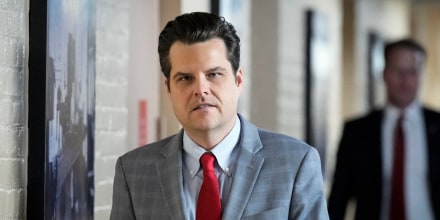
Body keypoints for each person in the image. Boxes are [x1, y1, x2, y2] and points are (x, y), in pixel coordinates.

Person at [110, 12, 328, 219]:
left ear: (238, 80)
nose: (201, 89)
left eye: (213, 74)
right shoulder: (133, 171)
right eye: (185, 78)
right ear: (168, 88)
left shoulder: (296, 163)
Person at [328, 38, 440, 220]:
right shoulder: (356, 131)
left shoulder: (437, 125)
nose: (405, 79)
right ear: (384, 74)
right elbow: (339, 197)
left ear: (421, 75)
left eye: (412, 71)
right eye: (398, 71)